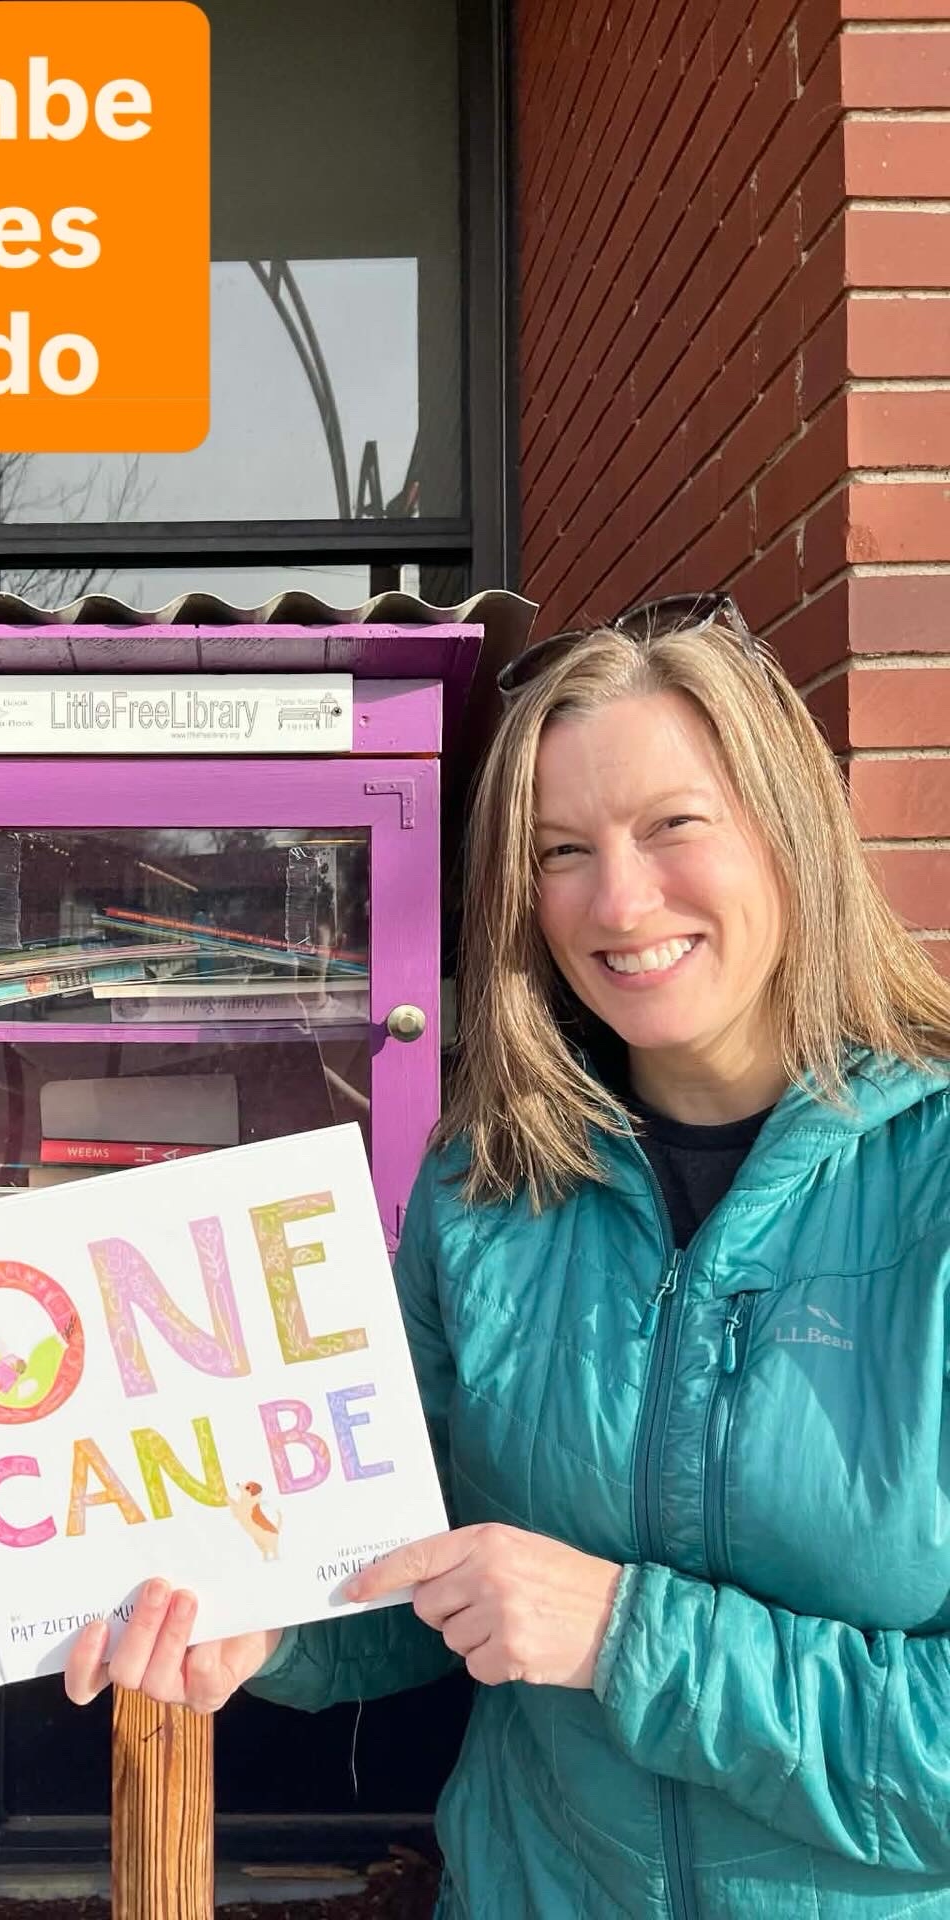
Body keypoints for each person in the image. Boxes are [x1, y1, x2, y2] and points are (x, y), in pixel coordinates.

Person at [64, 592, 950, 1917]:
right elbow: (410, 1568)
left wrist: (627, 1639)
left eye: (673, 825)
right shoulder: (485, 1188)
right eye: (561, 852)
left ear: (790, 833)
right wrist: (269, 1623)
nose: (620, 900)